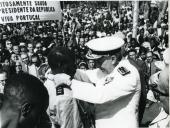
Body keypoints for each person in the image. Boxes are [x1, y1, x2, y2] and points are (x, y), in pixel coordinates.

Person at [55, 36, 141, 128]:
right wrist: (64, 71)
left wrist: (68, 82)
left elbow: (100, 95)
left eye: (99, 61)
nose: (96, 65)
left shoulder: (128, 74)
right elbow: (88, 75)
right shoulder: (110, 69)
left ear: (113, 59)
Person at [44, 47, 83, 128]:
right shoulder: (66, 96)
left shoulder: (47, 83)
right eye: (72, 64)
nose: (75, 68)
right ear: (61, 65)